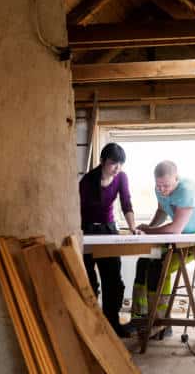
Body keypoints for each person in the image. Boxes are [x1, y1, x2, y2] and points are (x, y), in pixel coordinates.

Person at [130, 160, 195, 332]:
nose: (162, 189)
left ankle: (161, 322)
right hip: (178, 239)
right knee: (144, 261)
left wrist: (148, 231)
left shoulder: (187, 190)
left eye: (166, 186)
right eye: (158, 185)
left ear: (176, 178)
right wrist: (150, 228)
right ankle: (140, 317)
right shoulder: (159, 188)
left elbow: (175, 229)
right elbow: (162, 210)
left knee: (162, 266)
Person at [79, 143, 140, 338]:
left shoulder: (121, 177)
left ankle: (112, 324)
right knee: (89, 281)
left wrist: (132, 228)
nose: (117, 168)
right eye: (114, 163)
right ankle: (92, 326)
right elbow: (78, 210)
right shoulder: (87, 181)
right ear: (103, 161)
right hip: (87, 230)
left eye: (120, 164)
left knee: (113, 281)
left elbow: (126, 203)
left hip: (109, 230)